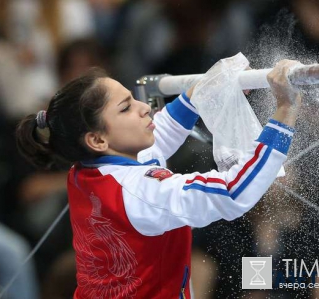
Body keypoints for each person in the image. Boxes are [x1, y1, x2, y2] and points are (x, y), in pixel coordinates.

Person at [16, 59, 302, 298]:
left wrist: (208, 90)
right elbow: (232, 192)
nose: (144, 108)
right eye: (126, 107)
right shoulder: (140, 191)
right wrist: (285, 112)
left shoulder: (87, 170)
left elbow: (159, 135)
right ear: (97, 139)